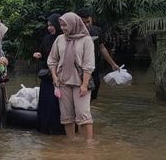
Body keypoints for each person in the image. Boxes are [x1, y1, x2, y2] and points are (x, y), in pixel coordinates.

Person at [48, 12, 95, 143]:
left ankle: (89, 144)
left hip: (80, 82)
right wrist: (54, 77)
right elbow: (52, 60)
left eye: (65, 25)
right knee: (66, 115)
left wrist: (85, 84)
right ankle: (71, 142)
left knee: (83, 114)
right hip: (63, 82)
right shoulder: (60, 39)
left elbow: (89, 64)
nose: (63, 28)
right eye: (61, 25)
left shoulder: (86, 40)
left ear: (74, 24)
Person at [76, 8, 120, 101]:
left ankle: (88, 109)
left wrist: (112, 64)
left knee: (95, 87)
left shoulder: (96, 31)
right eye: (84, 23)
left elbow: (102, 48)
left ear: (91, 19)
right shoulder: (73, 33)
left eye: (88, 21)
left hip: (93, 66)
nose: (87, 25)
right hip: (78, 68)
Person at [33, 13, 64, 135]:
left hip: (61, 77)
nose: (50, 28)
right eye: (48, 25)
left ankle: (60, 130)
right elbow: (43, 54)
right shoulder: (47, 39)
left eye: (52, 25)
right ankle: (45, 128)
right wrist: (39, 55)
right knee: (46, 103)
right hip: (48, 77)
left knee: (58, 104)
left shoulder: (64, 38)